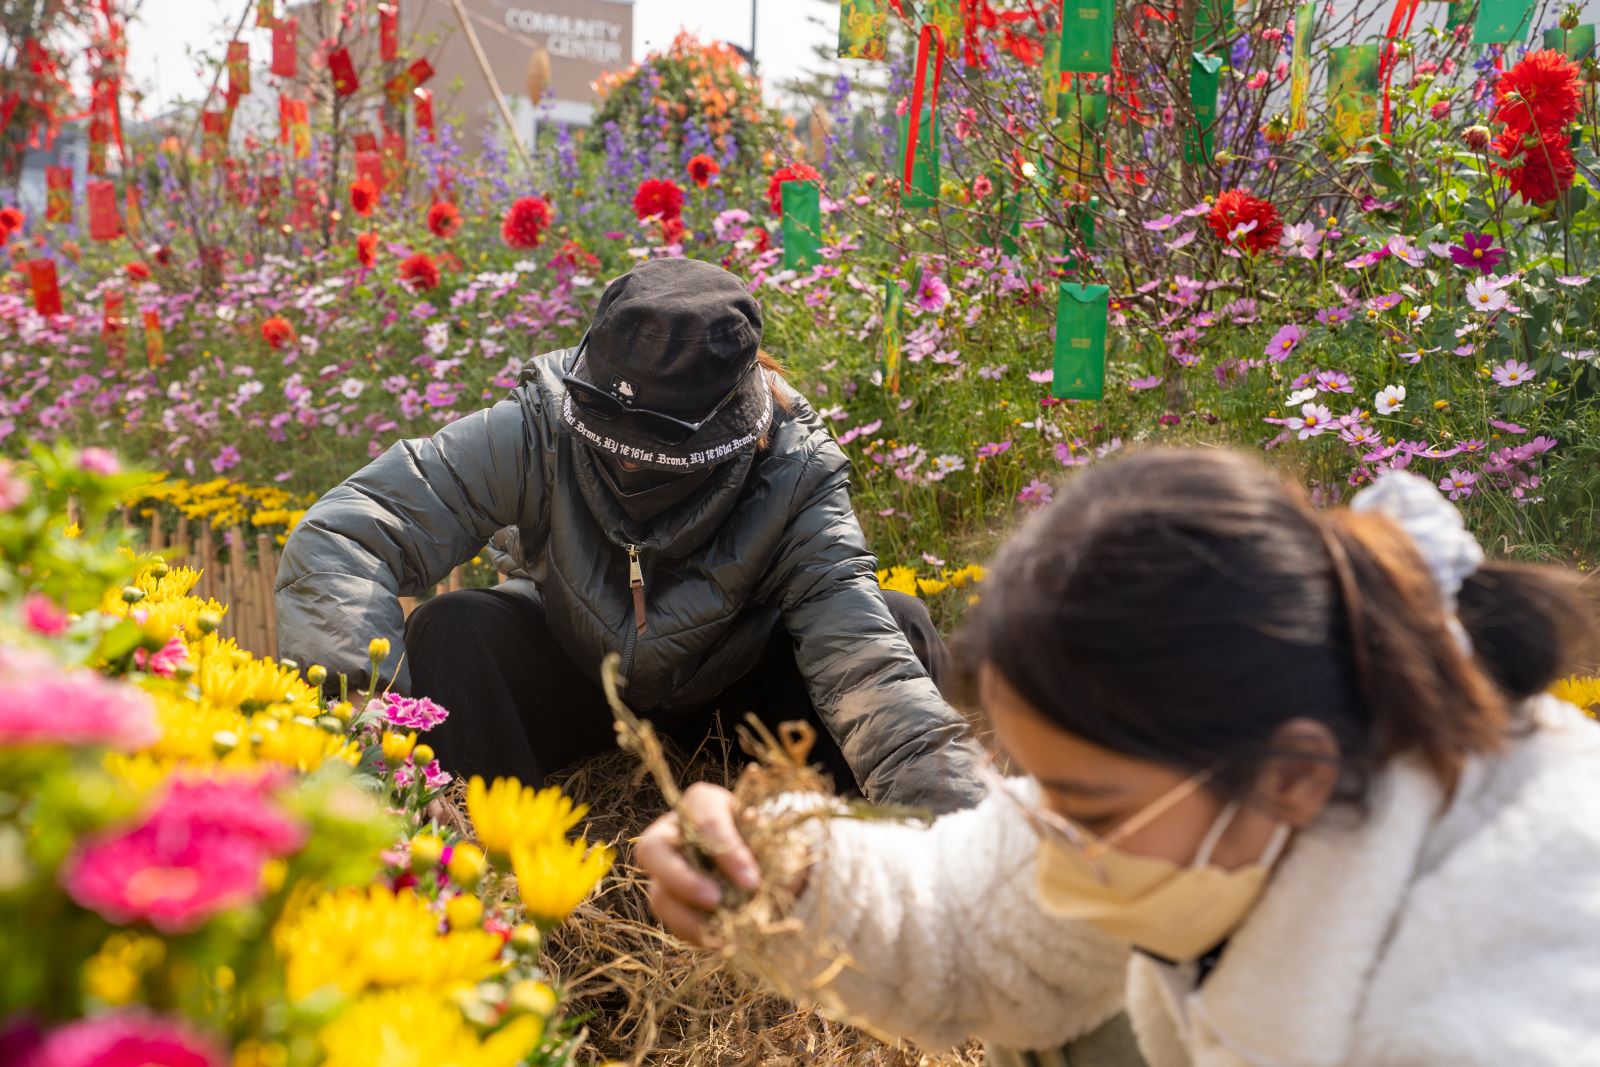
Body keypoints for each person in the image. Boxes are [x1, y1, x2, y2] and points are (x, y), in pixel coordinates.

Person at [638, 448, 1600, 1066]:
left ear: (1296, 778)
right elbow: (969, 921)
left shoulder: (1504, 986)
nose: (1046, 829)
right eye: (1034, 781)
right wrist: (785, 872)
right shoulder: (1236, 762)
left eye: (1087, 805)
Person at [274, 258, 982, 813]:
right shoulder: (537, 425)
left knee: (900, 623)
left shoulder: (794, 471)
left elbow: (865, 666)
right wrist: (372, 740)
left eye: (653, 454)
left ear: (734, 433)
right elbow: (345, 535)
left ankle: (857, 894)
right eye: (611, 440)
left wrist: (966, 855)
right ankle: (490, 887)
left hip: (740, 699)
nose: (625, 461)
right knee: (453, 626)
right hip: (585, 676)